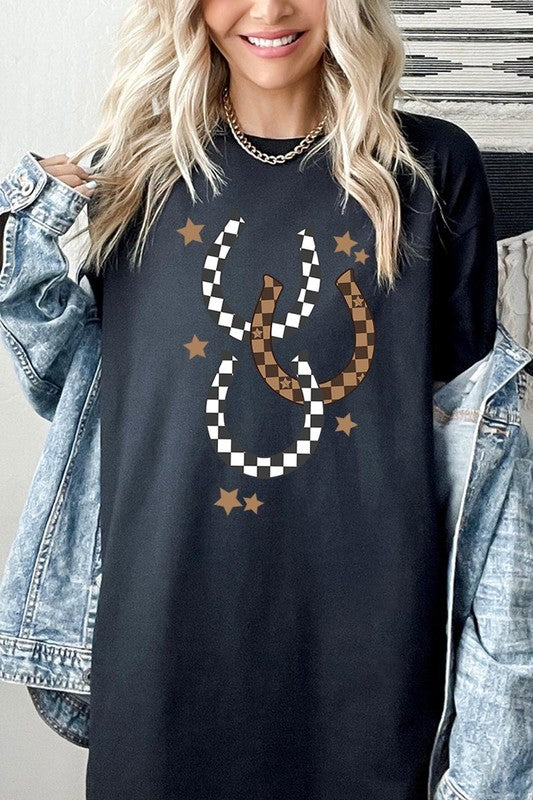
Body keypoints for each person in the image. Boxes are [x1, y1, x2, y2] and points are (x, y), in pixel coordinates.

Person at [38, 1, 498, 798]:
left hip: (367, 661)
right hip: (161, 655)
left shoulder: (430, 169)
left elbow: (480, 452)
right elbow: (75, 398)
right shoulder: (132, 174)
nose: (270, 9)